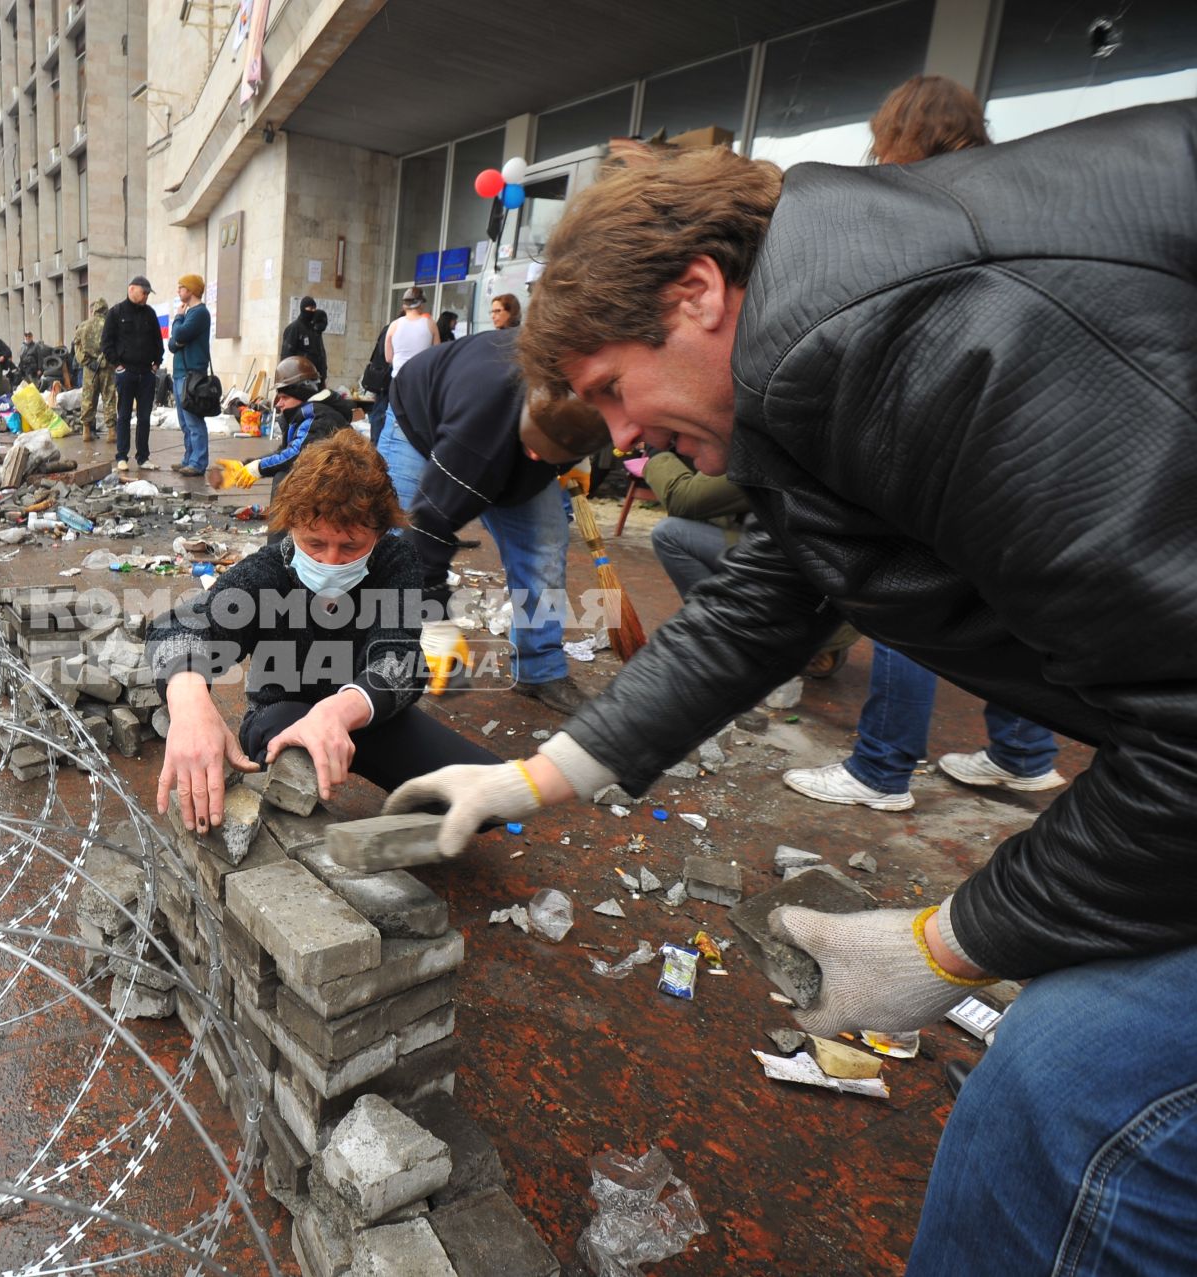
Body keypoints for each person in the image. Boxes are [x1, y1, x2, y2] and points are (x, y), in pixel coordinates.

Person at [391, 102, 1197, 1275]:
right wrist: (531, 773)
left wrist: (955, 938)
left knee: (1074, 1089)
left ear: (699, 294)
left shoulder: (927, 333)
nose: (617, 439)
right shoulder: (818, 353)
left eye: (613, 387)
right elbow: (764, 602)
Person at [780, 75, 1060, 812]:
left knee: (903, 589)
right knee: (1006, 601)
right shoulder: (1025, 194)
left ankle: (882, 769)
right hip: (1028, 434)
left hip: (949, 430)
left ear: (898, 136)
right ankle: (1025, 753)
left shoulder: (923, 207)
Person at [149, 431, 499, 835]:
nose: (331, 561)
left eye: (350, 547)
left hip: (366, 714)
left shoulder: (395, 561)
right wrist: (190, 704)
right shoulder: (270, 571)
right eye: (315, 543)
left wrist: (336, 712)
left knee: (492, 796)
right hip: (282, 715)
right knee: (283, 739)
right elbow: (178, 627)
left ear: (380, 533)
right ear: (293, 526)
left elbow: (399, 659)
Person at [379, 328, 598, 716]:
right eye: (534, 452)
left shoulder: (594, 381)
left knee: (544, 547)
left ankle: (539, 669)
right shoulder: (478, 441)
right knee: (396, 543)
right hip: (421, 416)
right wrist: (436, 622)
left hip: (520, 421)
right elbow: (428, 526)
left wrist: (578, 455)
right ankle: (388, 658)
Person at [634, 447, 858, 679]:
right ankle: (808, 643)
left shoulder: (765, 447)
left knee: (670, 534)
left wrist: (657, 453)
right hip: (827, 589)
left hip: (804, 577)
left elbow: (685, 498)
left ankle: (722, 635)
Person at [219, 356, 349, 498]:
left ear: (301, 395)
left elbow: (296, 455)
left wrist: (258, 468)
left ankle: (285, 521)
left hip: (341, 491)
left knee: (284, 478)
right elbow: (285, 452)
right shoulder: (306, 414)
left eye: (284, 398)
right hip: (333, 484)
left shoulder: (318, 417)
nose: (278, 404)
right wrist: (247, 464)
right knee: (284, 474)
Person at [101, 275, 163, 474]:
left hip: (146, 374)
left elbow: (157, 342)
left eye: (147, 294)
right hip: (126, 373)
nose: (146, 297)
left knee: (144, 417)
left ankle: (143, 457)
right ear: (132, 289)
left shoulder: (150, 314)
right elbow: (106, 343)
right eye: (143, 292)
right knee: (124, 416)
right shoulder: (116, 313)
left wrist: (156, 365)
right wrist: (118, 366)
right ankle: (121, 457)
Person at [168, 274, 212, 477]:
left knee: (194, 420)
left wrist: (178, 319)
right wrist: (178, 336)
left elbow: (179, 335)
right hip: (179, 374)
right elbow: (172, 344)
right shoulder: (189, 314)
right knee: (185, 422)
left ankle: (198, 461)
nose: (178, 290)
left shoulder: (199, 313)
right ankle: (189, 458)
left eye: (181, 287)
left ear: (192, 290)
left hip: (191, 374)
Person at [380, 289, 439, 439]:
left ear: (404, 305)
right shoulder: (430, 324)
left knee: (395, 420)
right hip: (422, 381)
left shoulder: (394, 325)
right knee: (418, 421)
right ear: (421, 304)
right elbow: (437, 355)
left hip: (398, 380)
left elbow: (388, 358)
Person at [71, 298, 115, 442]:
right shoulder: (111, 325)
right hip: (107, 367)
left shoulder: (83, 326)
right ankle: (111, 432)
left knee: (88, 399)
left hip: (90, 369)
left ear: (94, 310)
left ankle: (86, 430)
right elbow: (116, 346)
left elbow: (77, 347)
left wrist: (87, 362)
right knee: (108, 397)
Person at [279, 295, 329, 382]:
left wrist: (323, 375)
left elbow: (320, 353)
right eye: (310, 308)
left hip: (316, 377)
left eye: (314, 308)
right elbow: (287, 355)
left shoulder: (314, 329)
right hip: (300, 378)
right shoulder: (294, 328)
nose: (313, 311)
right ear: (303, 308)